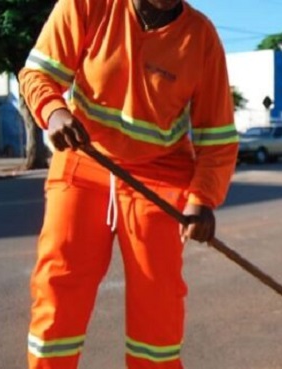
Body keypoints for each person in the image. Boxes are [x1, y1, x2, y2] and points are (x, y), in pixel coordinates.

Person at [19, 0, 238, 368]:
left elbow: (216, 135)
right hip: (84, 159)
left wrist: (202, 199)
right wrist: (55, 112)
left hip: (160, 174)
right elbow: (37, 75)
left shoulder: (201, 37)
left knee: (158, 300)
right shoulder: (88, 5)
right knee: (59, 284)